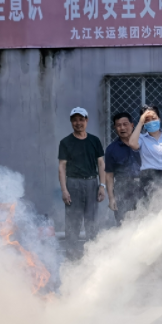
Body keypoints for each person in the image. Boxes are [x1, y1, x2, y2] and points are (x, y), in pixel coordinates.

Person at [58, 107, 106, 260]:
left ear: (87, 120)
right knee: (73, 223)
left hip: (92, 183)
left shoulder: (94, 141)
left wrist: (102, 185)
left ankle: (92, 259)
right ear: (71, 122)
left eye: (81, 119)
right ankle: (72, 259)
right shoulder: (65, 142)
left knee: (92, 222)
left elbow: (101, 164)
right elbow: (62, 167)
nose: (78, 123)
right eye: (75, 120)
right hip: (73, 184)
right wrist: (64, 190)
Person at [128, 105, 162, 208]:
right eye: (147, 119)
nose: (151, 121)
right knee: (149, 210)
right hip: (148, 179)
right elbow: (132, 143)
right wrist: (140, 122)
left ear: (159, 119)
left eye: (154, 118)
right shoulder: (141, 138)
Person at [105, 112, 142, 226]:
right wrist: (111, 198)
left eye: (125, 124)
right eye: (118, 125)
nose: (122, 128)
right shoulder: (111, 149)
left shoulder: (144, 143)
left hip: (144, 188)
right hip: (123, 190)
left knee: (146, 223)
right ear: (115, 128)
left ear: (132, 125)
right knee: (124, 224)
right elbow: (109, 176)